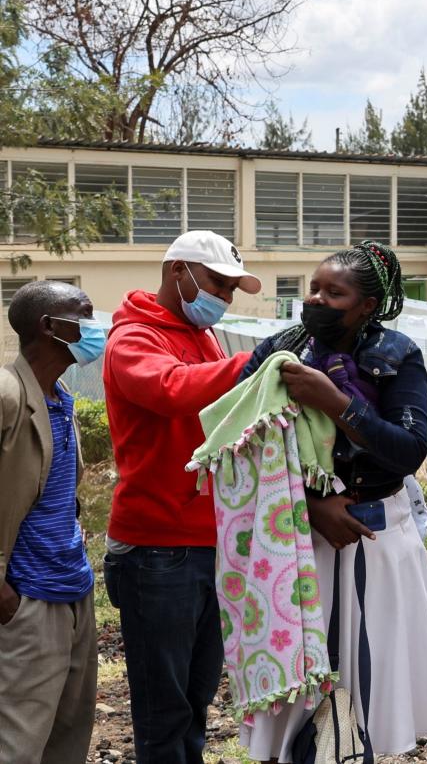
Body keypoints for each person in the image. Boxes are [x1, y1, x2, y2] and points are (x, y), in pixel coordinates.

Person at [234, 241, 427, 761]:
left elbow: (407, 450)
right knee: (302, 678)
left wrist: (336, 403)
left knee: (368, 676)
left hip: (377, 538)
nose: (316, 299)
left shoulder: (397, 354)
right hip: (295, 537)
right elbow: (239, 443)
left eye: (334, 292)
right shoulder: (279, 350)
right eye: (314, 288)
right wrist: (312, 507)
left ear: (367, 305)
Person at [102, 230, 260, 763]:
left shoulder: (205, 336)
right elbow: (171, 390)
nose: (226, 298)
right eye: (218, 283)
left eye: (232, 289)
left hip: (207, 538)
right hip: (157, 550)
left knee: (195, 700)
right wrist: (251, 363)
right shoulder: (133, 338)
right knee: (163, 712)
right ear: (179, 272)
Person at [0, 281, 103, 764]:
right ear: (48, 326)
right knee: (19, 739)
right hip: (26, 598)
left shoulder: (59, 395)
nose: (94, 327)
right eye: (83, 316)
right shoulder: (7, 395)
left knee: (69, 733)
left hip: (73, 590)